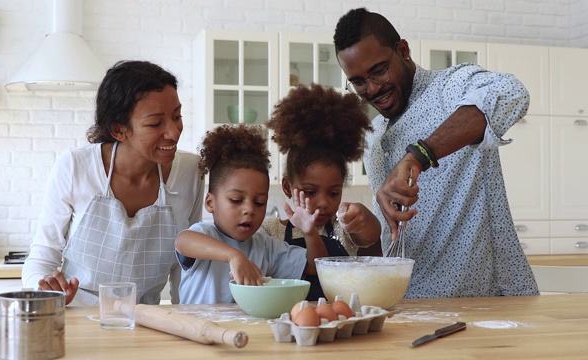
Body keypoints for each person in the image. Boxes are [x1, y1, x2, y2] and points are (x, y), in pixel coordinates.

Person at [333, 8, 539, 298]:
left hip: (486, 300)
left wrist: (418, 155)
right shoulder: (374, 134)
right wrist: (364, 224)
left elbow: (512, 93)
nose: (372, 88)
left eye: (379, 70)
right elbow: (392, 240)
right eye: (358, 81)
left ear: (403, 50)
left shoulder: (449, 88)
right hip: (407, 304)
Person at [22, 60, 205, 305]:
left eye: (177, 116)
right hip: (76, 320)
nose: (173, 132)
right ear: (119, 130)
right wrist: (46, 291)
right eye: (155, 123)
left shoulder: (191, 172)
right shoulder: (75, 167)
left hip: (147, 325)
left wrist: (189, 323)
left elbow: (186, 267)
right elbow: (42, 259)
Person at [175, 124, 328, 304]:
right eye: (236, 200)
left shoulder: (266, 248)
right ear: (210, 203)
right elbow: (183, 241)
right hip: (197, 329)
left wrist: (310, 233)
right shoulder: (206, 234)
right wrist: (234, 256)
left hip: (244, 331)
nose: (249, 209)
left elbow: (315, 266)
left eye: (259, 202)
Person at [261, 83, 382, 300]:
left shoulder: (342, 227)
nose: (324, 203)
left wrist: (363, 218)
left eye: (334, 193)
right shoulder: (272, 232)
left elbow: (371, 236)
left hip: (341, 320)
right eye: (310, 192)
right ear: (288, 187)